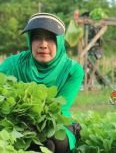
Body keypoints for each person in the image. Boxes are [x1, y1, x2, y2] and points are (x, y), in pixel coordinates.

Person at [0, 13, 84, 152]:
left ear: (59, 41)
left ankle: (71, 132)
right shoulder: (12, 65)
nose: (43, 45)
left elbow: (60, 109)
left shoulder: (72, 71)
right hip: (16, 123)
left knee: (57, 142)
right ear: (30, 41)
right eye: (37, 38)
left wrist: (38, 126)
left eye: (50, 38)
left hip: (55, 121)